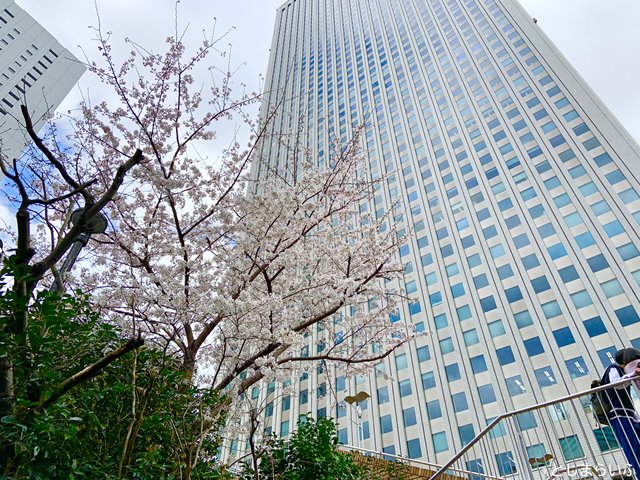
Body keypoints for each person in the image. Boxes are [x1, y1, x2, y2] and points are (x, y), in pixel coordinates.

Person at [602, 348, 640, 478]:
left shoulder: (624, 373)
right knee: (633, 450)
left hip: (628, 415)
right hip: (619, 415)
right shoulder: (613, 368)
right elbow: (617, 384)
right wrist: (633, 373)